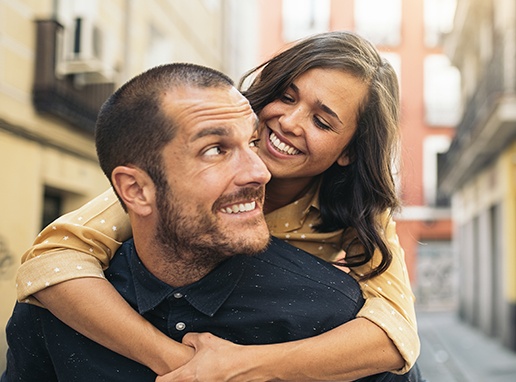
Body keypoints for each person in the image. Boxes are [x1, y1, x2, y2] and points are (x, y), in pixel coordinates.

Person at [14, 31, 419, 380]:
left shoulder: (357, 215)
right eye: (286, 96)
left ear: (348, 151)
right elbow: (52, 260)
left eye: (322, 122)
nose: (291, 122)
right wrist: (180, 364)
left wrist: (245, 367)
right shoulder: (179, 181)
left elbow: (395, 332)